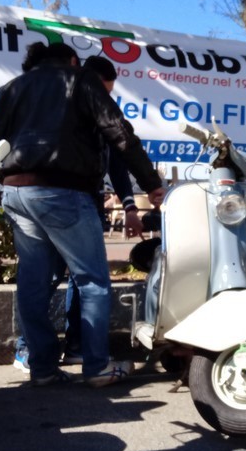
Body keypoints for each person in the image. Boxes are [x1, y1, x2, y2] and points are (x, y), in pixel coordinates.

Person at [0, 41, 165, 387]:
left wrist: (11, 180)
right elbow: (118, 131)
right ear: (71, 60)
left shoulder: (11, 88)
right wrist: (151, 183)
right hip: (65, 191)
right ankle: (97, 367)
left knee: (33, 283)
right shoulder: (80, 79)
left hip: (17, 193)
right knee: (92, 281)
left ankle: (42, 369)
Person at [11, 54, 150, 373]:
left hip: (85, 206)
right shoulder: (58, 110)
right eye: (102, 90)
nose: (105, 98)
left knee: (81, 279)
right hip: (58, 202)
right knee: (47, 279)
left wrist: (130, 206)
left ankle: (76, 348)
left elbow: (117, 162)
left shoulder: (99, 113)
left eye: (110, 94)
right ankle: (28, 350)